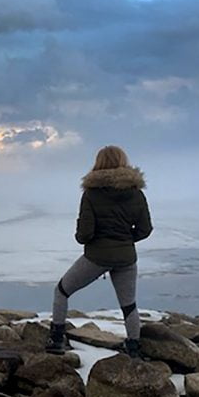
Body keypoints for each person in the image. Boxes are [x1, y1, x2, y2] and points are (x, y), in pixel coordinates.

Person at [47, 145, 152, 357]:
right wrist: (125, 240)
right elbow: (145, 229)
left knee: (62, 291)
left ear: (98, 163)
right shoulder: (136, 193)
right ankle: (134, 348)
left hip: (97, 257)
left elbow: (85, 233)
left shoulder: (92, 194)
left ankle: (56, 339)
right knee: (129, 305)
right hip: (126, 258)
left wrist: (85, 239)